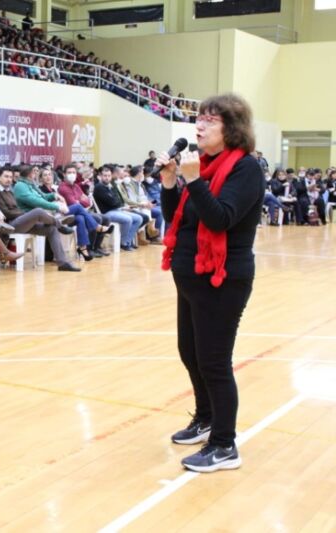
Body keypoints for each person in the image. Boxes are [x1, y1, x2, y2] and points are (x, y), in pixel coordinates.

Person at [158, 93, 264, 473]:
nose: (199, 126)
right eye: (198, 119)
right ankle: (205, 418)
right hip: (189, 277)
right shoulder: (203, 164)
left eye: (209, 120)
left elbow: (220, 219)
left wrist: (193, 180)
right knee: (190, 352)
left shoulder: (245, 169)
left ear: (230, 129)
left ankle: (224, 444)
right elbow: (179, 220)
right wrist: (171, 185)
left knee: (215, 362)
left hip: (223, 279)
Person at [0, 166, 81, 271]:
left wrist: (25, 215)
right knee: (38, 211)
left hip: (20, 221)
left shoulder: (10, 189)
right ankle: (59, 224)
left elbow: (21, 206)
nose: (9, 179)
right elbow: (6, 212)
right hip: (10, 224)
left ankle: (62, 263)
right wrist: (24, 214)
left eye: (10, 177)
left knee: (51, 229)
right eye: (6, 176)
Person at [92, 166, 144, 251]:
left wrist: (116, 201)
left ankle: (127, 241)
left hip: (117, 210)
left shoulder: (110, 186)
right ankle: (123, 243)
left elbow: (118, 199)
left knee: (139, 218)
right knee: (128, 219)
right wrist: (116, 201)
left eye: (109, 175)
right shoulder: (99, 187)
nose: (107, 178)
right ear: (101, 176)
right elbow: (112, 202)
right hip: (107, 213)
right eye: (105, 175)